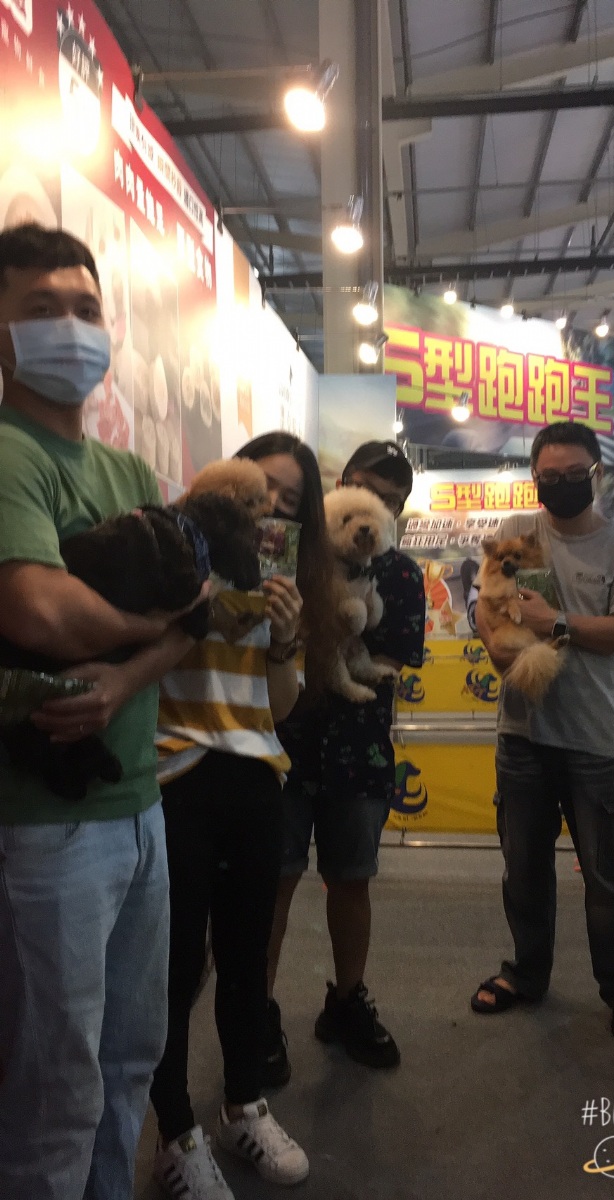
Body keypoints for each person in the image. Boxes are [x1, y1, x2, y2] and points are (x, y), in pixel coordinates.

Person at [0, 224, 201, 1200]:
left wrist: (123, 676)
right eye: (41, 309)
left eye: (85, 308)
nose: (71, 328)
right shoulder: (9, 455)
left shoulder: (126, 472)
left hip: (140, 805)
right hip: (44, 825)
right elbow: (37, 611)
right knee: (54, 1085)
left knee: (130, 1058)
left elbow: (194, 616)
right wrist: (154, 622)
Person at [150, 433, 339, 1200]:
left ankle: (242, 1105)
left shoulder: (286, 580)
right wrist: (196, 604)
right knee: (172, 966)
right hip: (174, 771)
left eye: (288, 503)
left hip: (256, 773)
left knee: (245, 956)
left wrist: (285, 639)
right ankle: (174, 1133)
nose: (270, 511)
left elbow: (280, 706)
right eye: (260, 492)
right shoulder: (173, 544)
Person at [471, 420, 614, 1044]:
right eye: (549, 476)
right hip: (522, 735)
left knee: (608, 879)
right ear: (535, 477)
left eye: (574, 475)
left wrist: (556, 623)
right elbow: (482, 601)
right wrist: (494, 641)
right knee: (522, 870)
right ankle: (525, 974)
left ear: (596, 474)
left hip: (595, 739)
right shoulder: (517, 532)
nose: (561, 485)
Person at [266, 440, 426, 1080]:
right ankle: (257, 1011)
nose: (373, 509)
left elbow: (393, 654)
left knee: (352, 879)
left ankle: (347, 998)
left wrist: (320, 641)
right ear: (340, 487)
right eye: (365, 490)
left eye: (389, 501)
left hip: (359, 749)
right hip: (281, 745)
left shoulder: (402, 576)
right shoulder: (291, 555)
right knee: (272, 883)